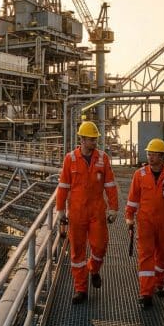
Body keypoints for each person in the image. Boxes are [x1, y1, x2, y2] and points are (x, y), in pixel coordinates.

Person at [56, 120, 120, 304]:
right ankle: (80, 289)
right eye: (91, 139)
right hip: (76, 213)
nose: (94, 142)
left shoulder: (103, 158)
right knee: (77, 251)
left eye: (95, 139)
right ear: (82, 140)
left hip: (97, 211)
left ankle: (94, 269)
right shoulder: (70, 159)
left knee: (100, 246)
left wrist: (113, 208)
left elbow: (110, 185)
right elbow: (63, 186)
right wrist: (60, 210)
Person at [124, 138, 164, 309]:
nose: (150, 157)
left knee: (163, 254)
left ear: (163, 157)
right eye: (149, 154)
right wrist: (129, 216)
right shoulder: (140, 175)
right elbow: (133, 198)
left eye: (154, 154)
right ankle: (146, 293)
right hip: (145, 222)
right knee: (145, 256)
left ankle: (159, 283)